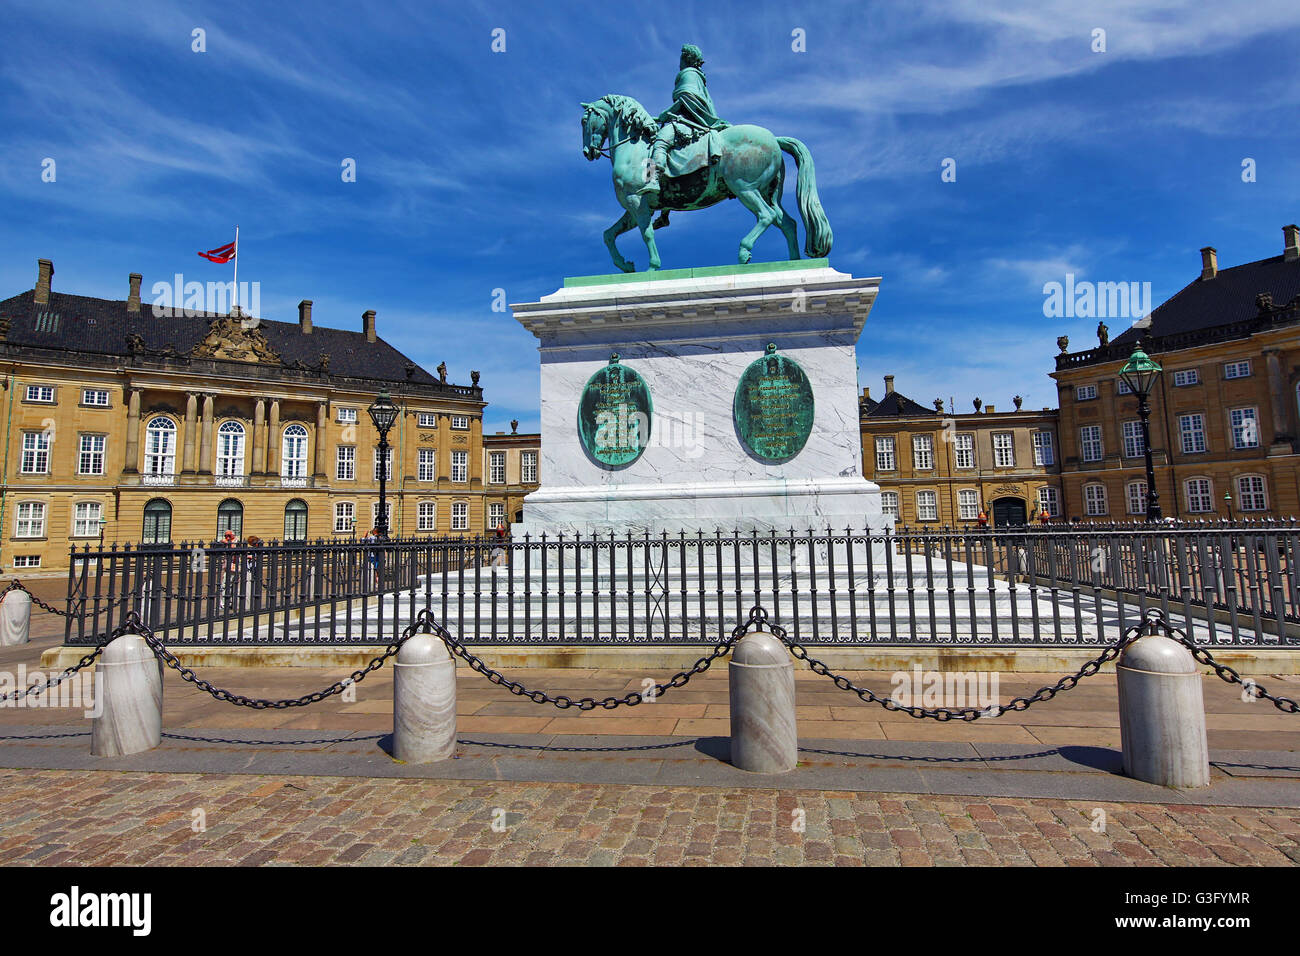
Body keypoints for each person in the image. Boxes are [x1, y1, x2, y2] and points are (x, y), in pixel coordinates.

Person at [638, 44, 729, 198]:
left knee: (659, 143)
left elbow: (687, 98)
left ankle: (651, 179)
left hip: (688, 123)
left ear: (686, 59)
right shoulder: (699, 77)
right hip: (695, 121)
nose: (679, 62)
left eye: (681, 58)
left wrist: (667, 113)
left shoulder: (688, 73)